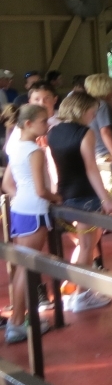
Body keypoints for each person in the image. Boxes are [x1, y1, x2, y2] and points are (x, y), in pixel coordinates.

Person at [48, 92, 112, 310]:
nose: (94, 114)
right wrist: (106, 198)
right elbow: (91, 169)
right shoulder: (84, 133)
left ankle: (78, 288)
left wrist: (54, 192)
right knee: (87, 245)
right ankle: (82, 294)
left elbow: (53, 166)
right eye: (92, 110)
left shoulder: (53, 131)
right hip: (85, 195)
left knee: (84, 243)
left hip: (64, 193)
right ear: (82, 110)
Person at [2, 105, 61, 342]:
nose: (46, 125)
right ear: (28, 124)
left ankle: (18, 318)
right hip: (34, 211)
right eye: (42, 121)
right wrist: (57, 197)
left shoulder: (14, 147)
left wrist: (21, 196)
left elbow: (7, 183)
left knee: (21, 268)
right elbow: (41, 189)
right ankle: (17, 323)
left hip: (19, 209)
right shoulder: (35, 151)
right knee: (26, 270)